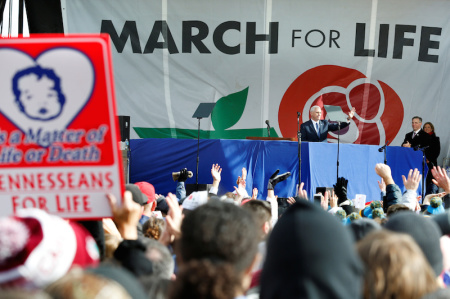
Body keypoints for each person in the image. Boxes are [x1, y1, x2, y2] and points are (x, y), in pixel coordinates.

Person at [423, 122, 441, 195]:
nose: (426, 129)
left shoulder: (435, 139)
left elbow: (437, 151)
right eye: (425, 127)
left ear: (432, 129)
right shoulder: (420, 138)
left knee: (430, 181)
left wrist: (429, 159)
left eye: (428, 127)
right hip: (421, 162)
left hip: (430, 163)